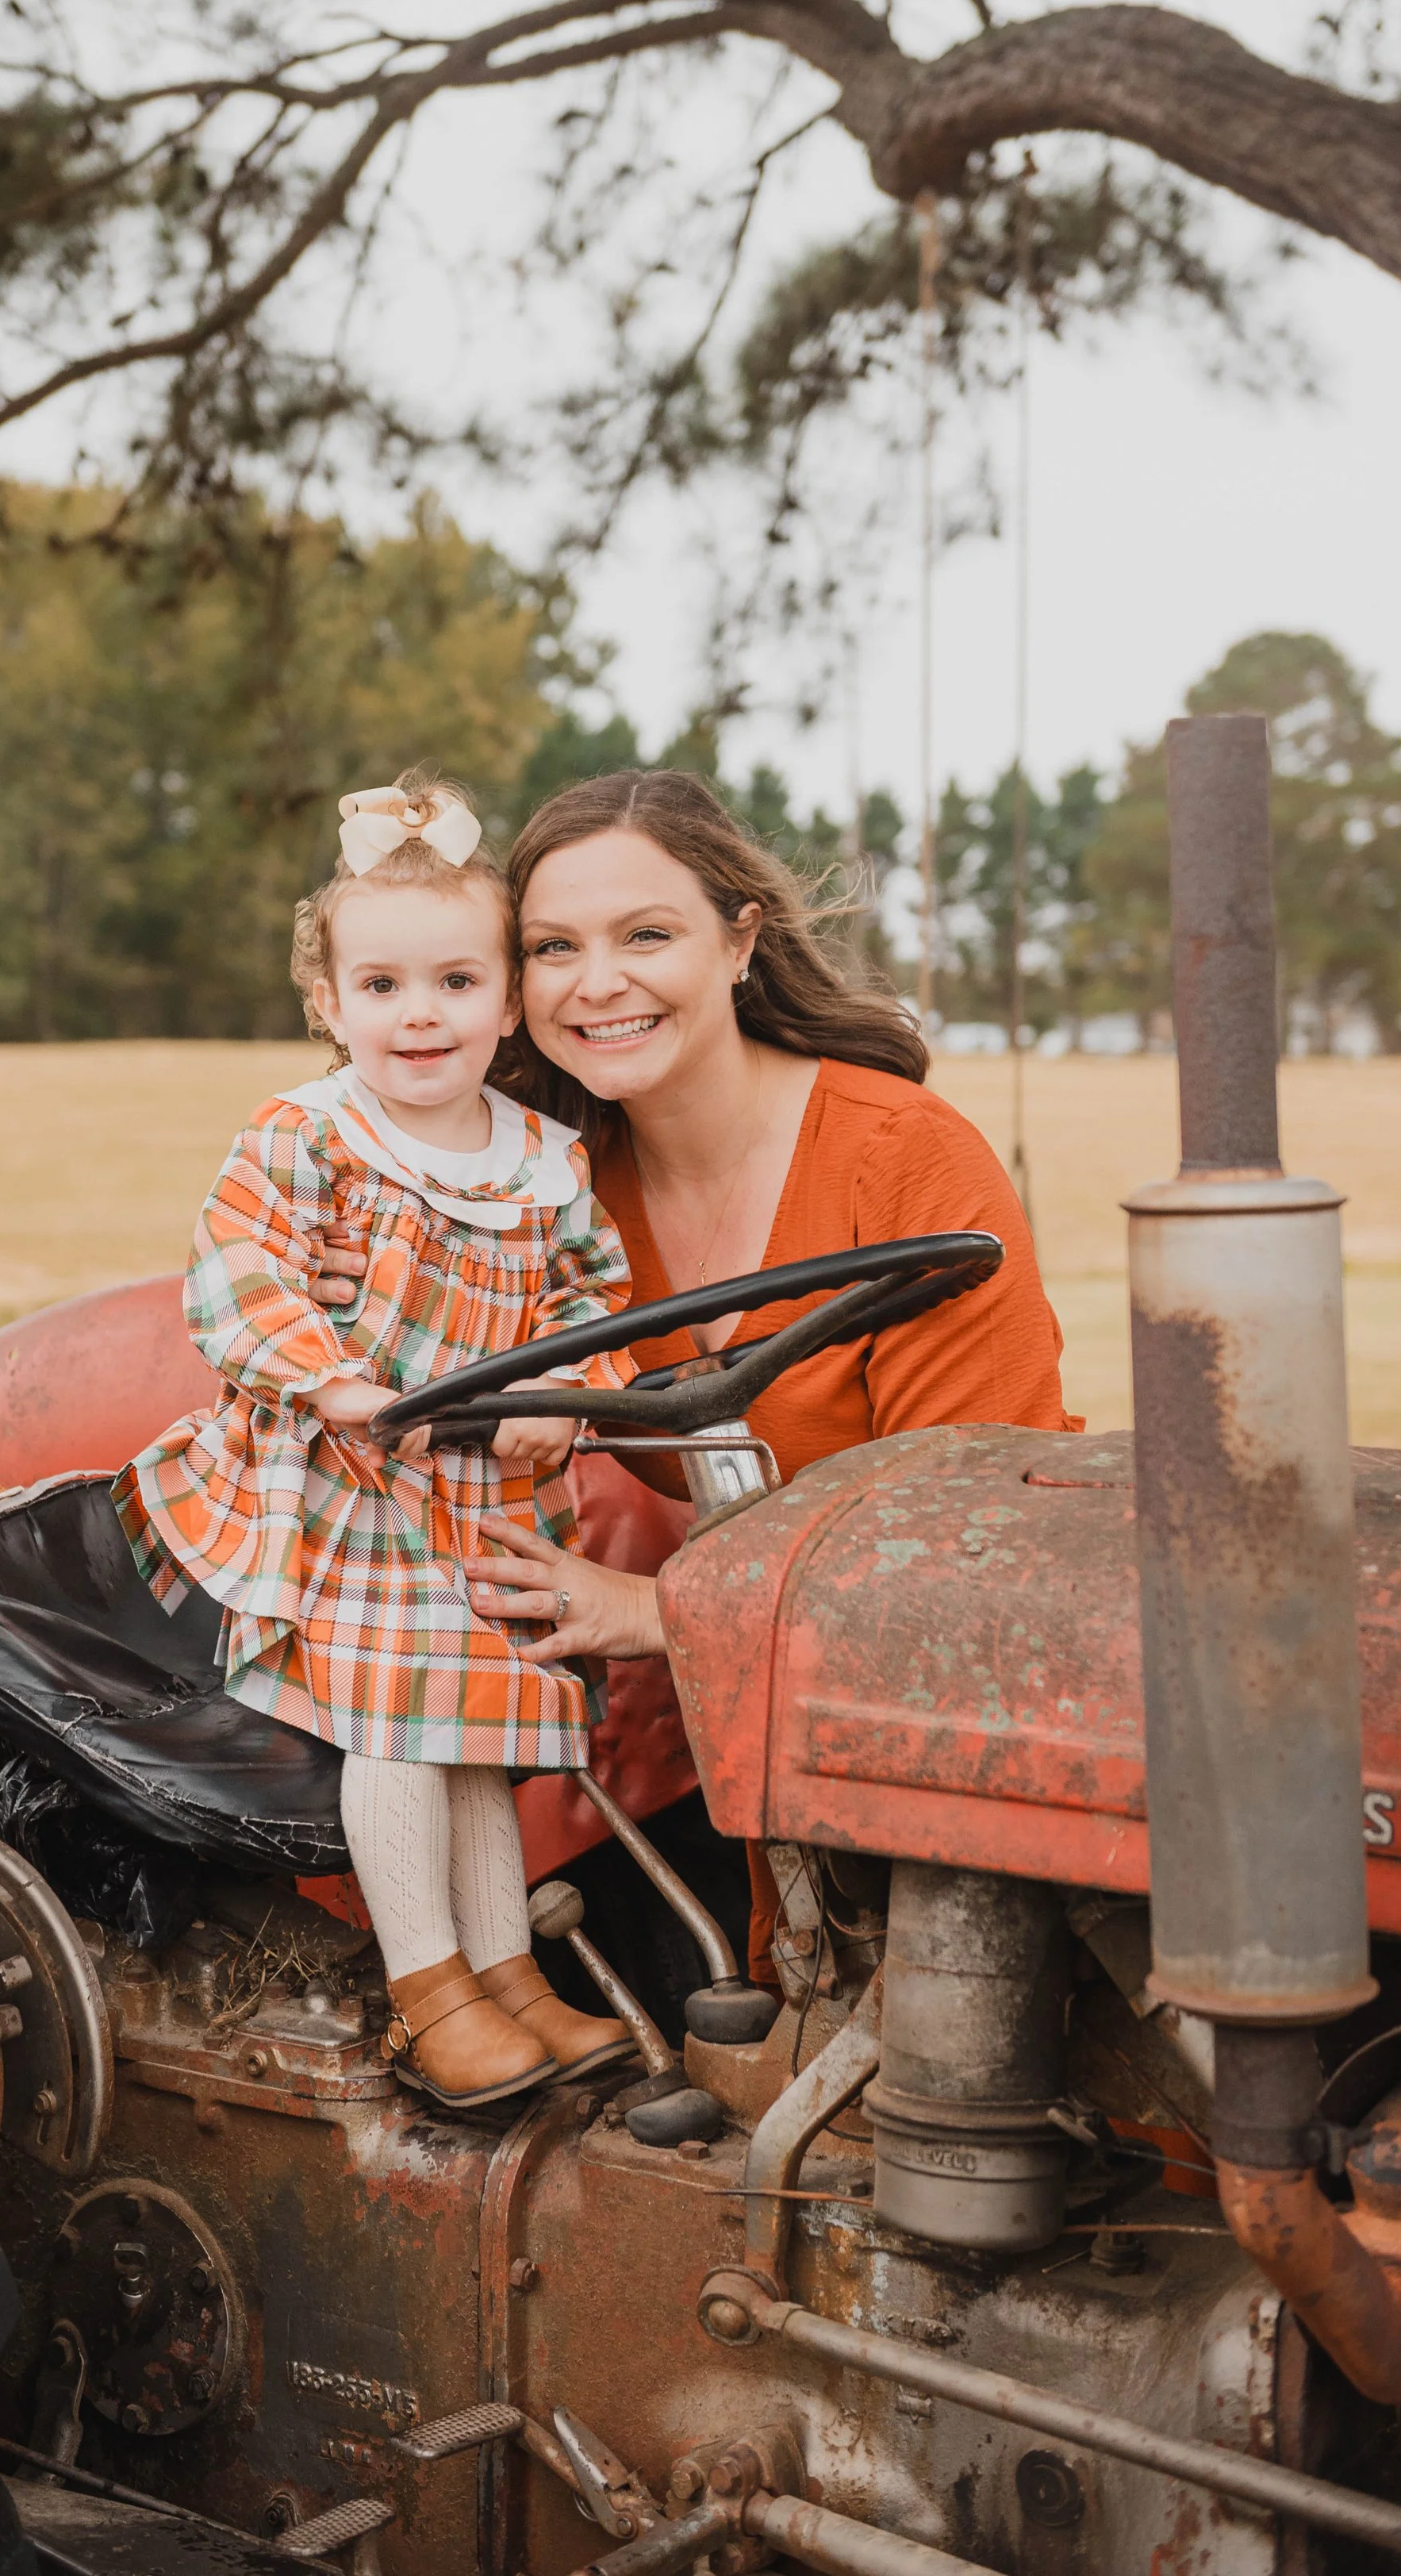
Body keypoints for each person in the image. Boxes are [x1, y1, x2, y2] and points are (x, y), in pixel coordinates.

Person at [313, 768, 1078, 1978]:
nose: (598, 981)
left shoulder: (904, 1162)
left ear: (741, 941)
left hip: (951, 1706)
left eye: (648, 934)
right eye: (554, 947)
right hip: (759, 1711)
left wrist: (653, 1613)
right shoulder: (542, 1194)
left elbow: (974, 1541)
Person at [113, 777, 642, 2109]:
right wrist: (332, 1381)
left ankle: (508, 1973)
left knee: (471, 1734)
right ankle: (425, 1989)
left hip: (480, 1492)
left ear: (507, 1005)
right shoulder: (313, 1134)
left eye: (458, 982)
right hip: (349, 1483)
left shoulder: (541, 1156)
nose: (422, 1014)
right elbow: (237, 1271)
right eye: (385, 985)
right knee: (401, 1730)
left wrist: (565, 1392)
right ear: (328, 1003)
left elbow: (596, 1299)